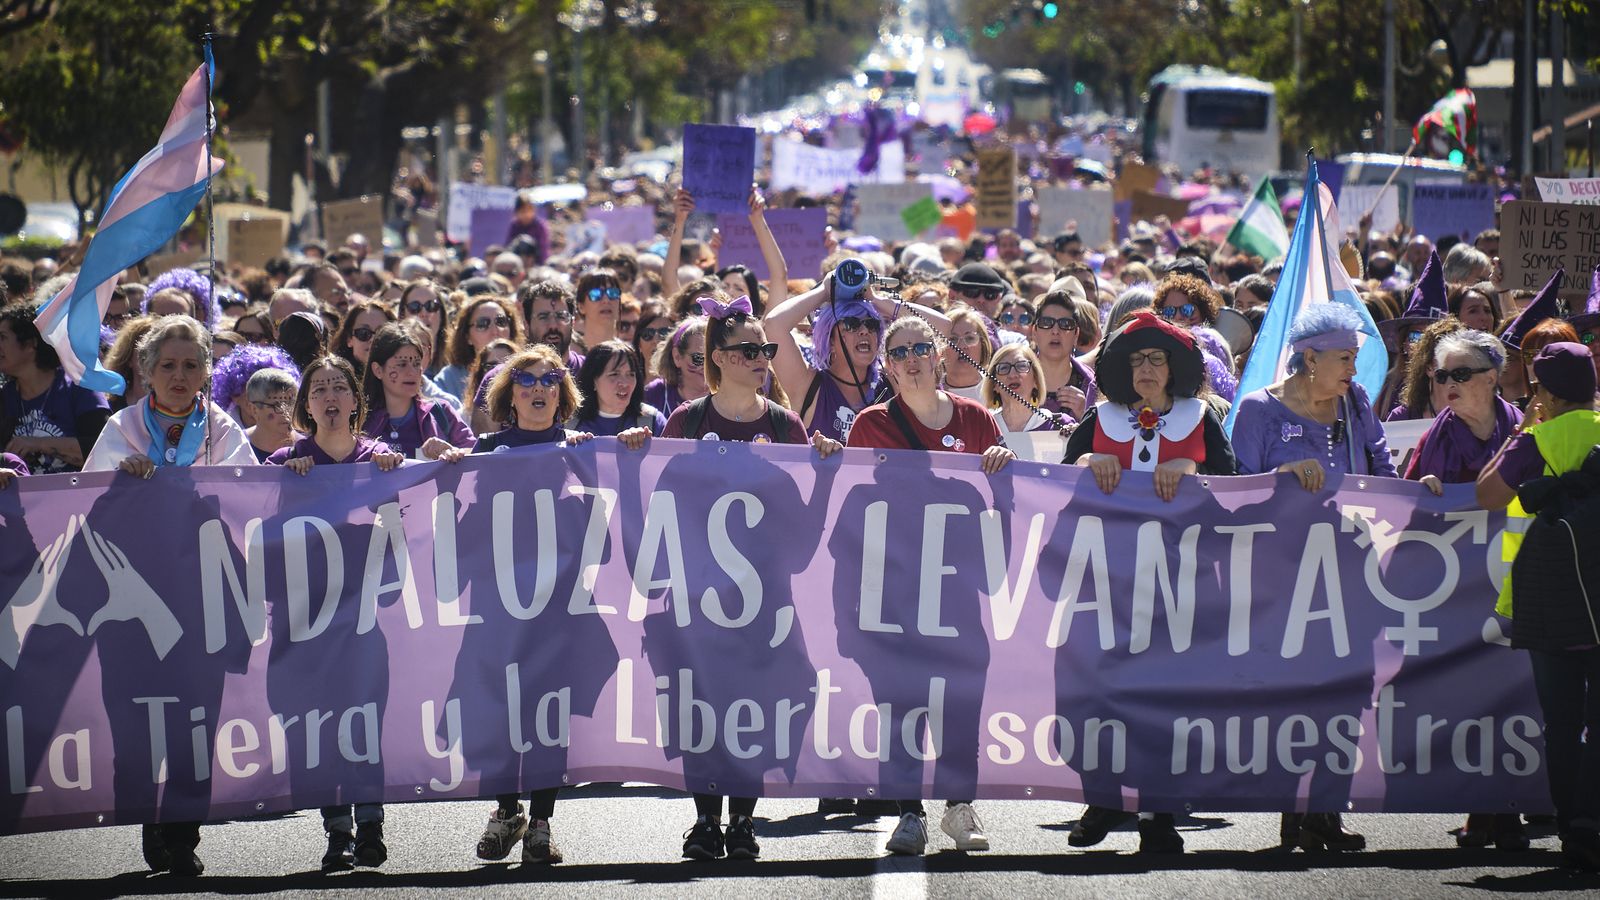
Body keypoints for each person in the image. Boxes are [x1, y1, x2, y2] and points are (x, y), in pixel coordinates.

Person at [651, 297, 842, 860]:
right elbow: (661, 505)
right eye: (749, 350)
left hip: (765, 600)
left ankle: (743, 821)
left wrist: (828, 475)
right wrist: (637, 454)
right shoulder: (686, 422)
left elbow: (804, 540)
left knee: (758, 706)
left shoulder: (785, 426)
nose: (762, 359)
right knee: (701, 707)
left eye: (767, 349)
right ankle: (705, 821)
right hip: (698, 599)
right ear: (718, 357)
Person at [82, 315, 257, 878]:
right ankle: (146, 819)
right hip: (131, 604)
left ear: (207, 371)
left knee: (194, 720)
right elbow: (84, 509)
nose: (179, 376)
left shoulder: (223, 432)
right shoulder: (121, 430)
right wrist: (121, 481)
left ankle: (183, 832)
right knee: (133, 718)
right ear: (146, 371)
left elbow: (249, 504)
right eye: (168, 366)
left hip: (203, 600)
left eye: (191, 365)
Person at [844, 316, 1014, 856]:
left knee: (962, 700)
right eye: (900, 352)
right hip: (894, 590)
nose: (912, 358)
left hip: (959, 588)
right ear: (888, 366)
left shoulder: (978, 420)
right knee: (899, 703)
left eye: (921, 348)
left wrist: (1004, 468)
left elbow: (1005, 505)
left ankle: (959, 806)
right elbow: (852, 506)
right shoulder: (870, 425)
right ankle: (907, 813)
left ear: (939, 358)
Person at [1230, 303, 1394, 852]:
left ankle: (1326, 808)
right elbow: (1231, 493)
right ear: (1308, 358)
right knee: (1291, 692)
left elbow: (1382, 465)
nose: (1353, 368)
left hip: (1351, 571)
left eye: (1355, 357)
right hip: (1283, 576)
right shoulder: (1258, 410)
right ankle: (1288, 809)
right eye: (1345, 358)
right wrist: (1279, 476)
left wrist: (1422, 491)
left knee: (1348, 690)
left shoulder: (1355, 402)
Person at [1397, 329, 1526, 849]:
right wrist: (1422, 491)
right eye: (1440, 374)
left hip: (1513, 589)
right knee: (1470, 700)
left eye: (1459, 374)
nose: (1446, 383)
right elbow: (1401, 504)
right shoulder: (1436, 438)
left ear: (1492, 379)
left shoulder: (1521, 429)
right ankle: (1481, 809)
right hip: (1454, 596)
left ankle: (1508, 810)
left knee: (1514, 698)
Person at [1476, 342, 1600, 872]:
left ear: (1546, 394)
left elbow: (1489, 495)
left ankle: (1575, 829)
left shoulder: (1536, 439)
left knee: (1563, 720)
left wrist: (1522, 432)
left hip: (1552, 597)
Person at [1064, 310, 1236, 502]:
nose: (1146, 368)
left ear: (1171, 368)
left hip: (1182, 530)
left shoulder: (1201, 416)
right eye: (1137, 359)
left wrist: (1192, 467)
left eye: (1156, 358)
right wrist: (1086, 460)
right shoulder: (1099, 416)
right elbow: (1059, 481)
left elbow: (1231, 484)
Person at [765, 269, 949, 443]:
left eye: (871, 324)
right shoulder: (809, 386)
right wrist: (824, 290)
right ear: (830, 339)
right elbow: (774, 325)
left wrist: (876, 300)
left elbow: (943, 328)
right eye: (852, 324)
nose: (864, 331)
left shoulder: (892, 381)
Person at [0, 303, 111, 474]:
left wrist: (38, 444)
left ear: (31, 344)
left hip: (78, 496)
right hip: (22, 499)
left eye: (2, 337)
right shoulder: (5, 397)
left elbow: (104, 449)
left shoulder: (78, 387)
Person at [362, 323, 474, 459]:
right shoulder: (359, 420)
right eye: (402, 364)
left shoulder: (441, 412)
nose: (412, 372)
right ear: (378, 370)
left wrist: (454, 451)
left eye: (416, 364)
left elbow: (476, 454)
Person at [570, 339, 666, 436]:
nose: (625, 383)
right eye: (614, 374)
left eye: (631, 374)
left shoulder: (653, 422)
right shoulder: (568, 424)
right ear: (593, 381)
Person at [436, 294, 521, 402]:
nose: (495, 331)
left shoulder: (527, 370)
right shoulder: (448, 379)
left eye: (501, 322)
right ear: (467, 337)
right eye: (483, 324)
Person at [1031, 289, 1096, 422]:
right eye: (1046, 323)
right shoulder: (1015, 377)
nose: (1055, 331)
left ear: (1076, 334)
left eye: (1066, 324)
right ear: (1034, 332)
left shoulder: (1092, 385)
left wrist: (1085, 414)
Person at [982, 343, 1062, 447]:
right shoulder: (985, 427)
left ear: (1036, 380)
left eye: (1021, 366)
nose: (1012, 375)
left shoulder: (1059, 425)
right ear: (994, 385)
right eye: (1004, 368)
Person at [644, 317, 709, 418]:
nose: (707, 366)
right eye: (699, 358)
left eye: (713, 358)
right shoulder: (654, 394)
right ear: (677, 357)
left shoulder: (728, 397)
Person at [396, 280, 452, 377]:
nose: (423, 313)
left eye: (431, 306)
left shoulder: (457, 363)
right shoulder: (391, 362)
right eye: (415, 307)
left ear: (442, 314)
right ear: (402, 314)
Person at [242, 367, 298, 462]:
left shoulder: (308, 447)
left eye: (292, 403)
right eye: (277, 405)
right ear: (254, 409)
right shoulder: (237, 445)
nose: (287, 412)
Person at [940, 305, 993, 402]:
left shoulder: (997, 389)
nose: (962, 346)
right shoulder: (930, 390)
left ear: (983, 344)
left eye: (969, 338)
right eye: (952, 339)